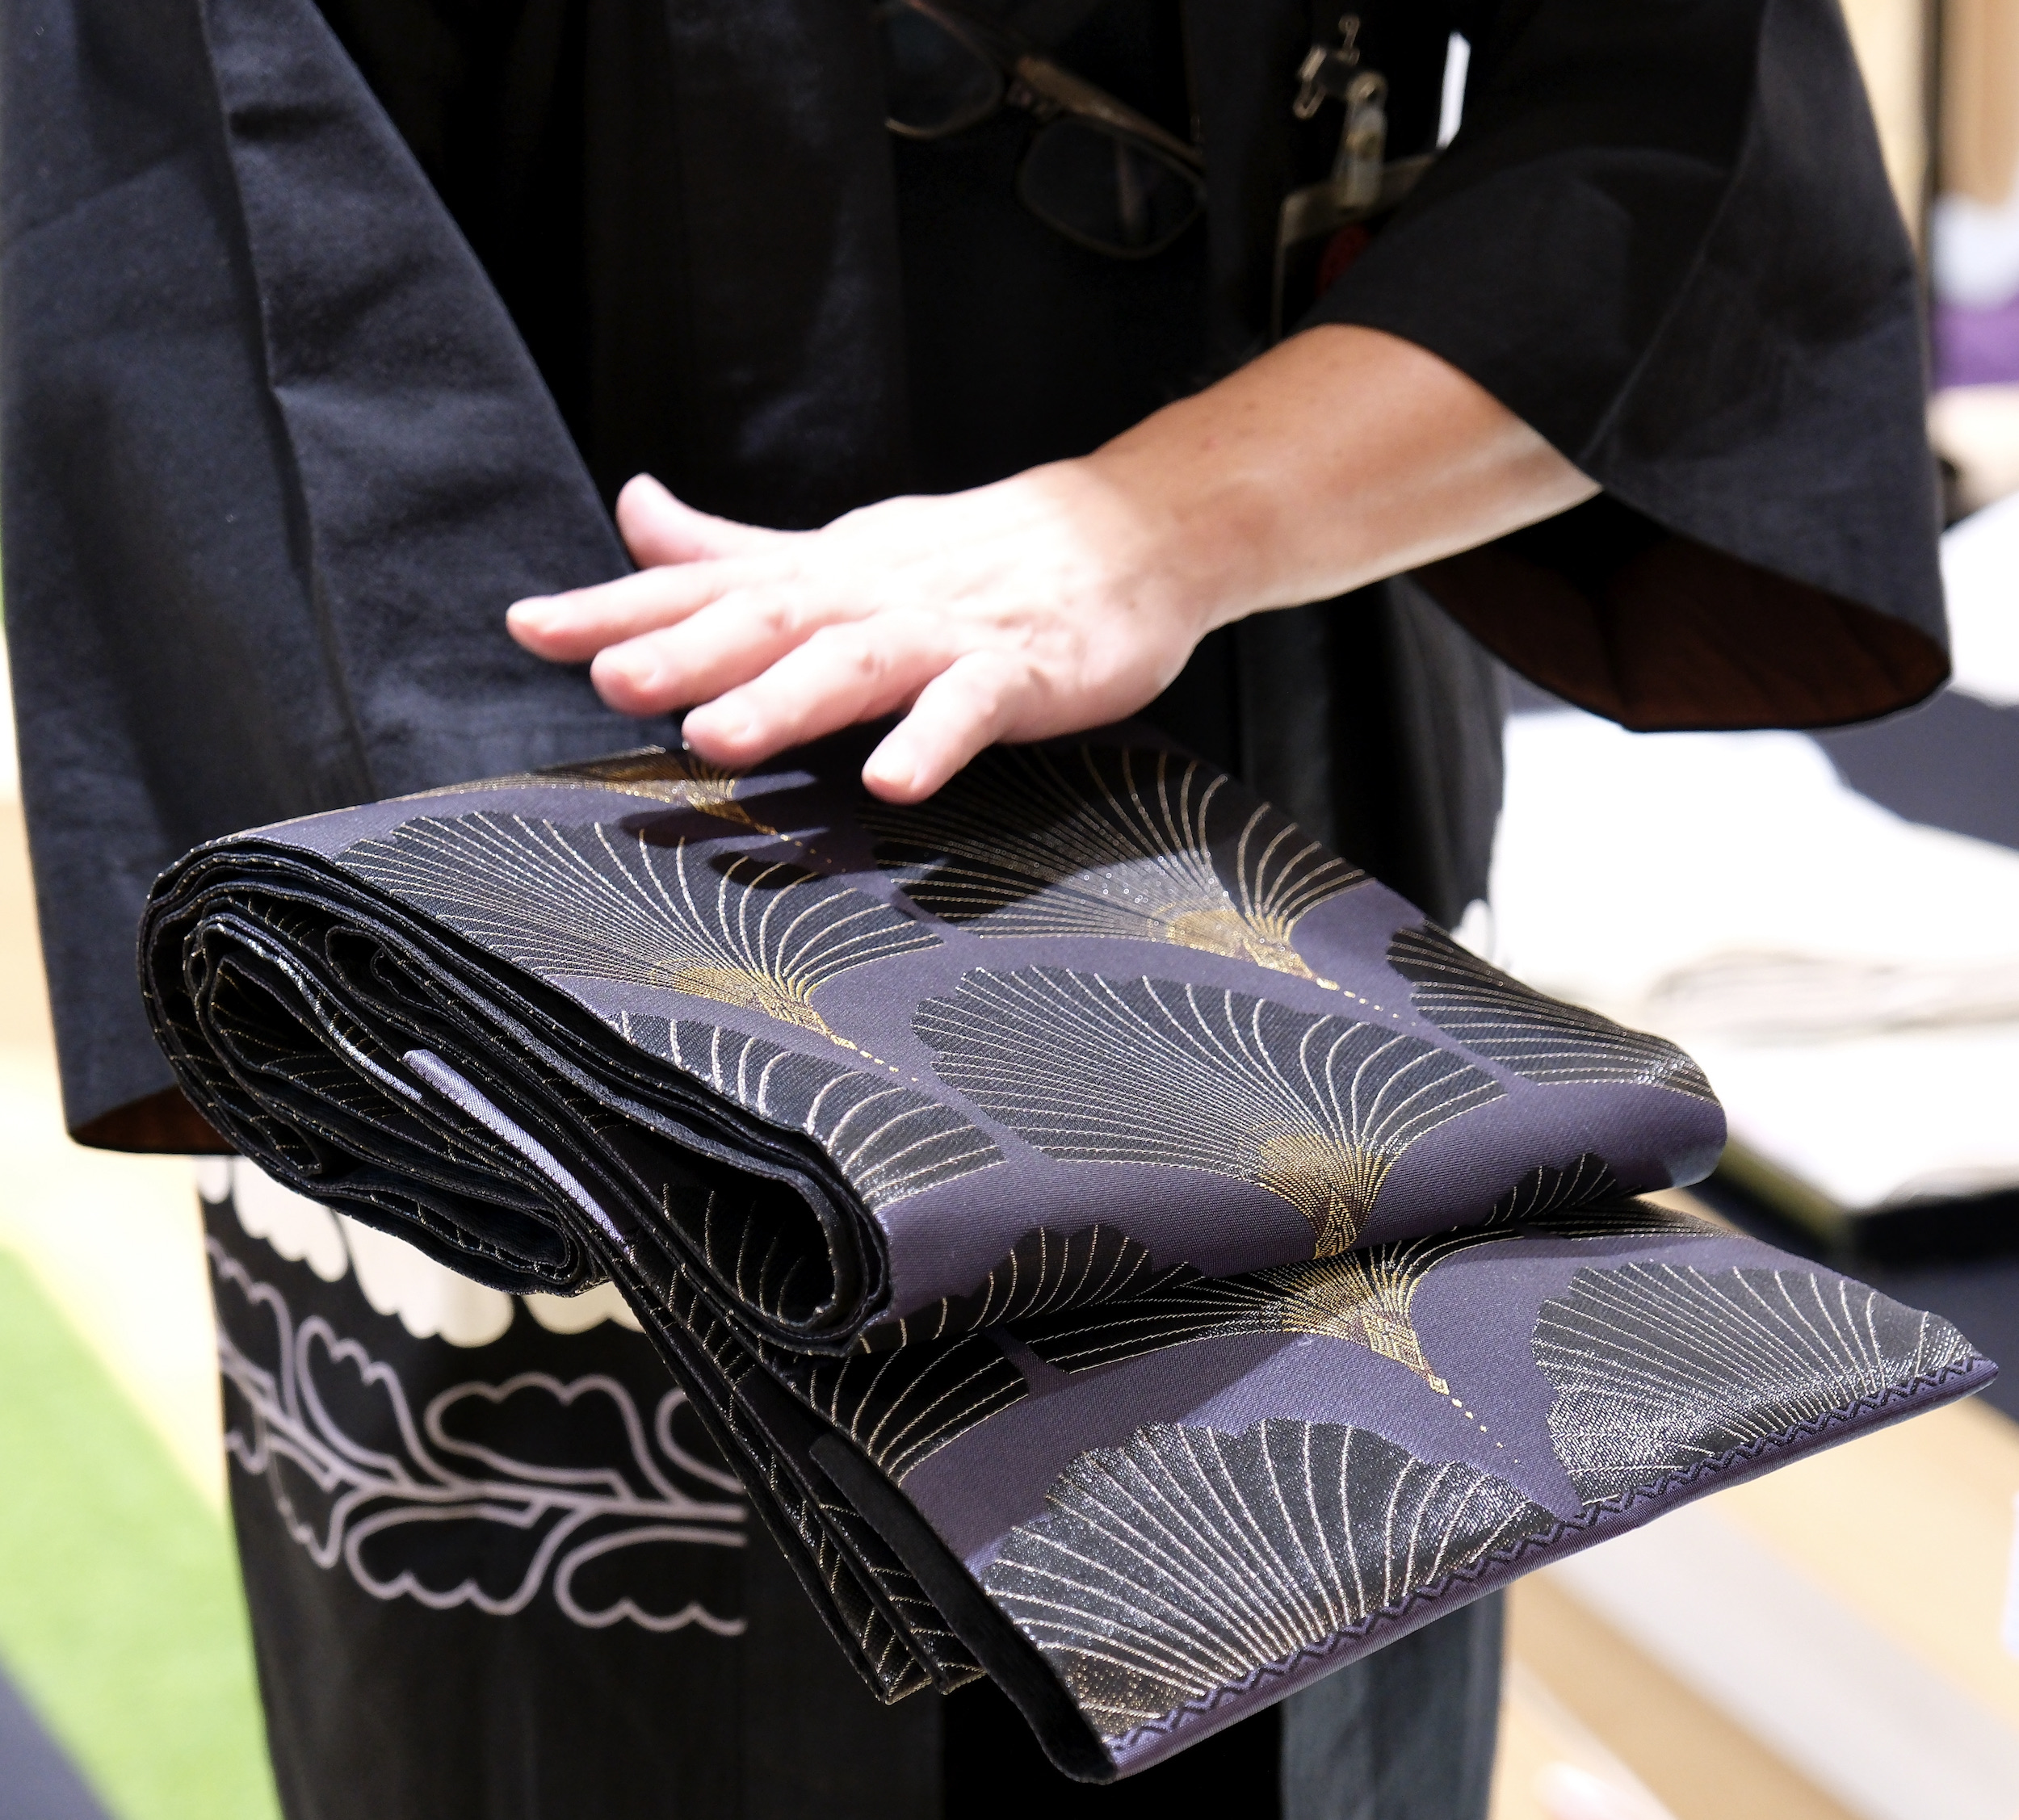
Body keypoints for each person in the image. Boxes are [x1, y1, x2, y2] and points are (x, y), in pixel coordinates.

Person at [0, 0, 1946, 1816]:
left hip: (1250, 699)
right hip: (524, 674)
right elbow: (188, 156)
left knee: (1295, 1604)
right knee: (612, 1682)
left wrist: (1162, 524)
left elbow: (1676, 110)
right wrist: (553, 967)